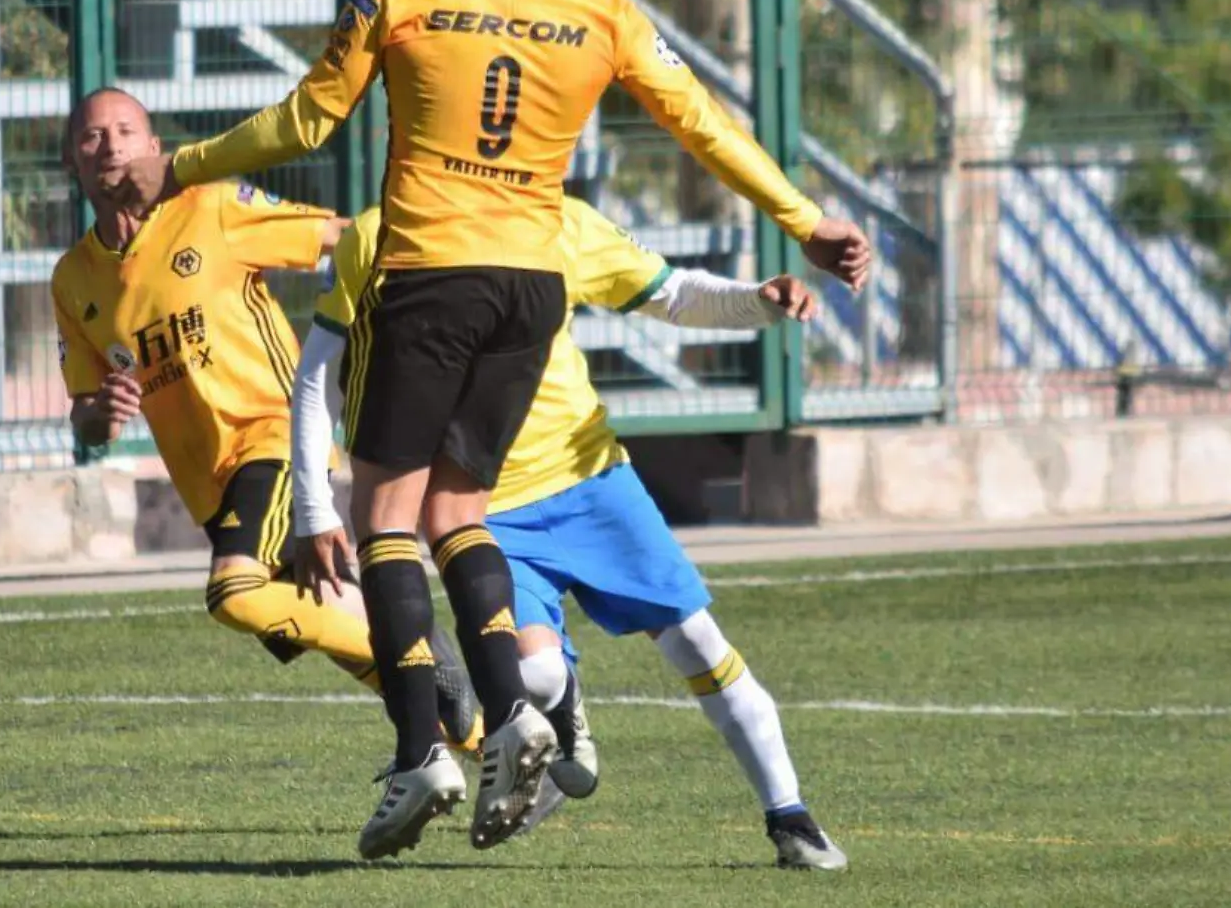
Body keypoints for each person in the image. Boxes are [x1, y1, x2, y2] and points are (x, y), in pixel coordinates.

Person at [104, 0, 872, 857]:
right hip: (530, 288)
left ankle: (426, 747)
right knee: (460, 507)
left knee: (387, 517)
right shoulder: (601, 13)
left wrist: (177, 163)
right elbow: (700, 122)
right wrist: (802, 219)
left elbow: (304, 120)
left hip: (429, 275)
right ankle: (517, 710)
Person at [291, 197, 849, 871]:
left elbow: (670, 293)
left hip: (591, 482)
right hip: (481, 508)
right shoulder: (381, 233)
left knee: (697, 641)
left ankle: (790, 817)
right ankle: (561, 710)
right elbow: (320, 367)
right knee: (535, 672)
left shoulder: (558, 219)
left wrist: (756, 301)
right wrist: (313, 500)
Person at [49, 87, 478, 748]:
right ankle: (472, 743)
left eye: (126, 131)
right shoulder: (72, 280)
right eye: (91, 137)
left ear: (157, 150)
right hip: (210, 488)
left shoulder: (213, 207)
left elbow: (341, 238)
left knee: (235, 593)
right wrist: (100, 415)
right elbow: (84, 418)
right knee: (323, 612)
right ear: (70, 163)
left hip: (272, 438)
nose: (110, 146)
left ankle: (417, 648)